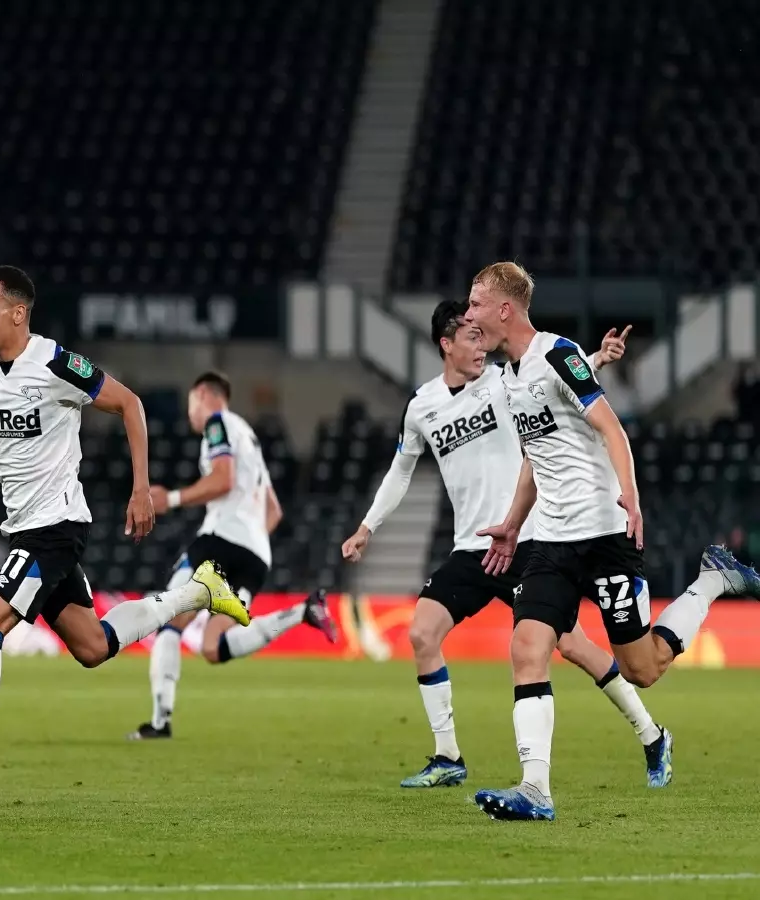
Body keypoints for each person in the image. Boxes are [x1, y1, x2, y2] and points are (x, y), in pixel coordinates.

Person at [0, 266, 248, 808]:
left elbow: (130, 403)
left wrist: (141, 486)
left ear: (17, 312)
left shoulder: (55, 363)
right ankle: (198, 593)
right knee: (92, 646)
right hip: (27, 526)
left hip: (55, 527)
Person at [463, 262, 760, 821]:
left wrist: (631, 496)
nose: (469, 314)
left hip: (603, 534)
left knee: (643, 667)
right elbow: (538, 454)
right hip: (551, 539)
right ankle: (536, 791)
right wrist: (511, 520)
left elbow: (611, 428)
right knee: (527, 648)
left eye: (476, 303)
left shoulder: (558, 353)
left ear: (505, 308)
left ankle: (712, 580)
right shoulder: (508, 377)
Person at [342, 300, 668, 789]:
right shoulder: (422, 406)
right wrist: (368, 525)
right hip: (472, 547)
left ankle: (650, 732)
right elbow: (400, 470)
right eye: (469, 337)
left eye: (481, 335)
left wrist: (596, 359)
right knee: (421, 634)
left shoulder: (503, 381)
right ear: (445, 344)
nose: (480, 346)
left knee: (574, 648)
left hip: (527, 540)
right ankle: (448, 756)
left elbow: (555, 378)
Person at [129, 371, 338, 741]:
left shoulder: (217, 425)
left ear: (204, 395)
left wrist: (172, 499)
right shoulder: (250, 439)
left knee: (169, 621)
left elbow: (223, 479)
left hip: (219, 542)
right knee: (213, 647)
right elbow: (273, 511)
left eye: (191, 403)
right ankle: (302, 612)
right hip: (256, 554)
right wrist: (249, 539)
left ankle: (159, 722)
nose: (191, 412)